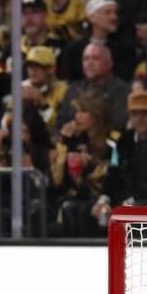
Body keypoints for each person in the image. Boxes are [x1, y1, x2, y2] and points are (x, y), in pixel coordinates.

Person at [51, 89, 118, 236]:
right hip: (75, 199)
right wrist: (64, 143)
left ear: (97, 115)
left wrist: (91, 163)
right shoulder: (74, 141)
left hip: (105, 199)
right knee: (67, 208)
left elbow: (112, 177)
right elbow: (57, 181)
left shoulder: (113, 142)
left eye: (83, 111)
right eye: (77, 111)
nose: (77, 117)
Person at [99, 90, 147, 213]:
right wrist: (104, 200)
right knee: (84, 210)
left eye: (146, 113)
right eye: (135, 113)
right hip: (128, 200)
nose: (140, 118)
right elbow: (113, 173)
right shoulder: (123, 141)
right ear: (129, 116)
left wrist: (133, 200)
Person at [61, 0, 137, 82]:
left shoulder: (124, 49)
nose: (114, 17)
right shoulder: (75, 49)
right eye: (107, 12)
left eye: (115, 12)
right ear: (92, 17)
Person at [57, 43, 130, 132]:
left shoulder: (122, 91)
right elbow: (60, 123)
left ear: (109, 64)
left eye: (96, 58)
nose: (89, 63)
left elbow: (119, 123)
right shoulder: (73, 89)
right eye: (86, 59)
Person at [21, 45, 69, 131]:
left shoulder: (62, 90)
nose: (33, 70)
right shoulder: (22, 87)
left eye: (39, 66)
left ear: (51, 69)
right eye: (30, 66)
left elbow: (58, 126)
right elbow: (6, 121)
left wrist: (42, 102)